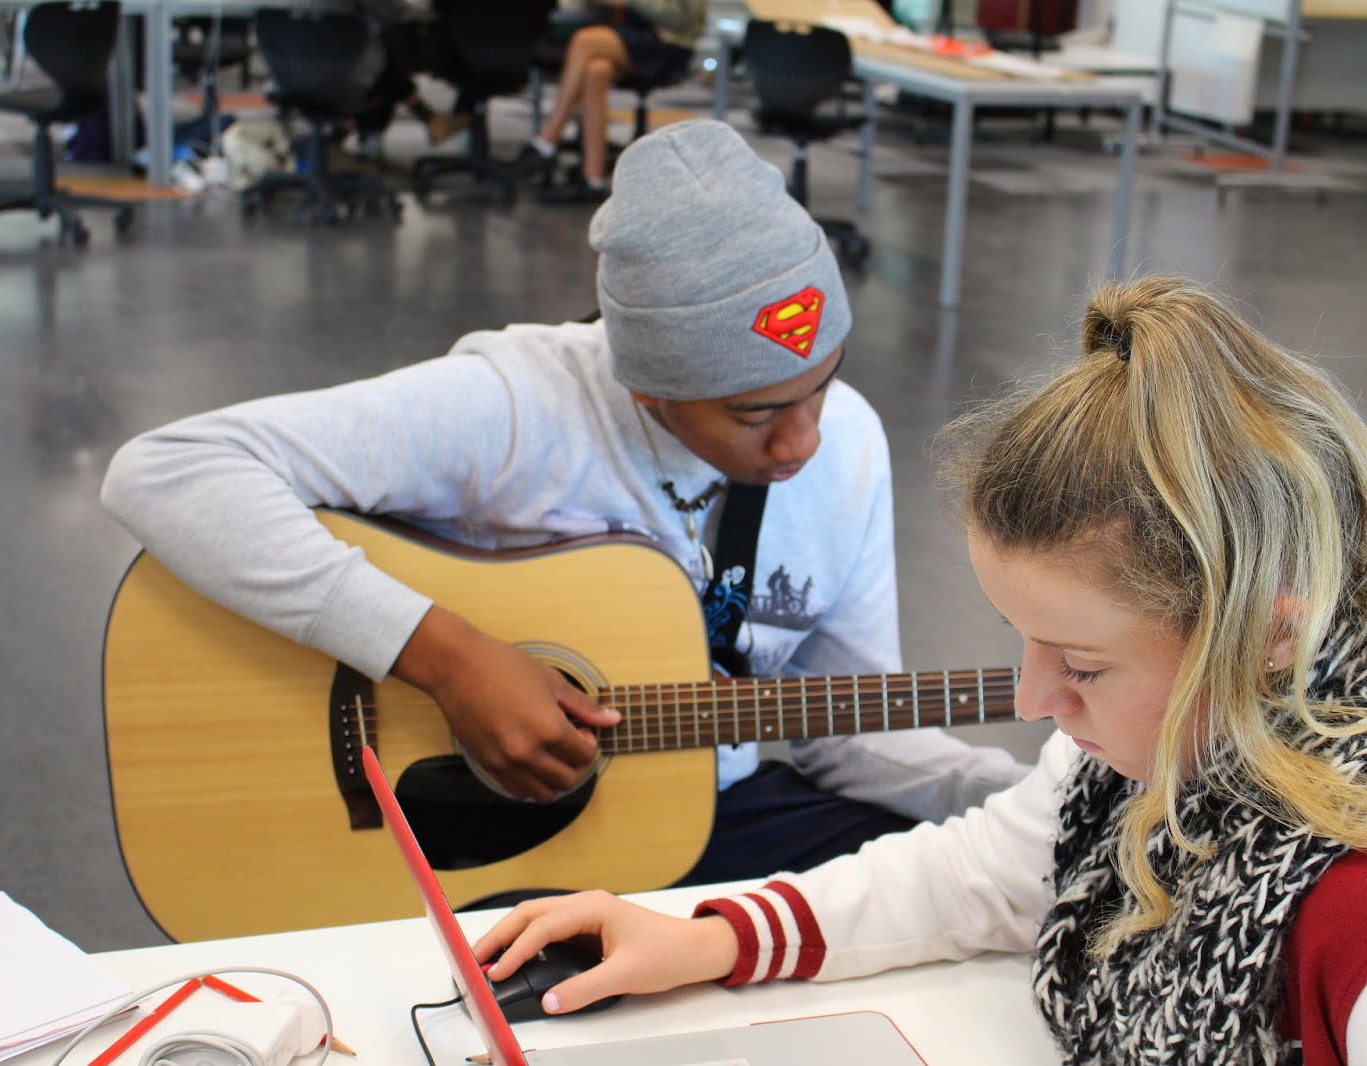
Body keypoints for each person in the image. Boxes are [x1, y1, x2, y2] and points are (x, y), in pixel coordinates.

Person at [472, 274, 1367, 1063]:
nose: (1030, 699)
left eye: (1081, 665)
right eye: (1024, 642)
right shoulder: (1180, 740)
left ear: (1268, 636)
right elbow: (988, 872)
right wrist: (708, 937)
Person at [99, 119, 1028, 895]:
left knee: (973, 882)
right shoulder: (515, 408)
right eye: (755, 415)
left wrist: (1040, 795)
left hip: (702, 819)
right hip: (484, 848)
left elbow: (846, 733)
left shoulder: (849, 443)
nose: (804, 442)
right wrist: (446, 658)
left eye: (822, 385)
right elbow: (168, 470)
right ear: (648, 386)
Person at [509, 0, 708, 205]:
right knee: (596, 71)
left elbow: (684, 19)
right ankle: (592, 180)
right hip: (634, 36)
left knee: (584, 41)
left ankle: (546, 142)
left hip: (669, 45)